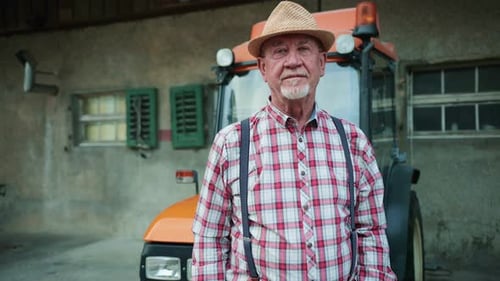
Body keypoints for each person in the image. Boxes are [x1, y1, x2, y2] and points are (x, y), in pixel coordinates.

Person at [192, 1, 397, 280]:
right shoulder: (230, 144)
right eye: (280, 51)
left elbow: (371, 232)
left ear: (321, 62)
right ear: (263, 69)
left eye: (303, 48)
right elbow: (209, 239)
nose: (292, 61)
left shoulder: (354, 142)